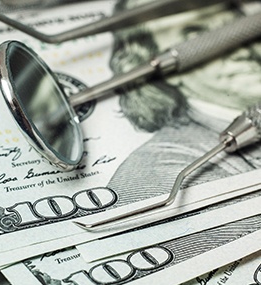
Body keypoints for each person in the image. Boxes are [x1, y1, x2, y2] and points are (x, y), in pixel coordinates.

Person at [106, 0, 261, 205]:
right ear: (164, 75)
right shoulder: (159, 169)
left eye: (239, 29)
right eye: (196, 38)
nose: (242, 51)